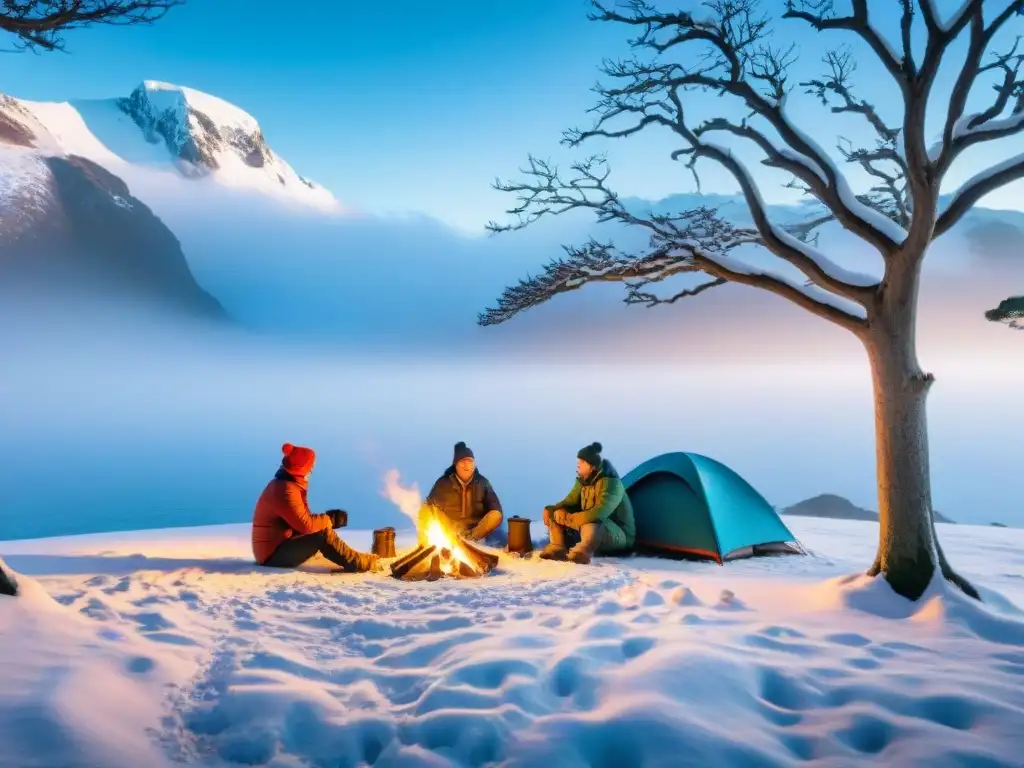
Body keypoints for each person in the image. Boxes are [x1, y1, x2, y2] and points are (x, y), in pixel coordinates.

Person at [252, 443, 379, 572]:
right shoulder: (285, 490)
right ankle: (359, 563)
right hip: (272, 556)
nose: (312, 469)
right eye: (310, 466)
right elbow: (305, 525)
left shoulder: (287, 485)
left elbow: (300, 520)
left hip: (275, 548)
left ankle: (354, 558)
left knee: (321, 530)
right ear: (301, 468)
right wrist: (329, 519)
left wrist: (327, 520)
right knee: (322, 534)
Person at [539, 441, 636, 564]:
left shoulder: (612, 484)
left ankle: (582, 552)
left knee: (593, 518)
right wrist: (552, 510)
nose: (578, 466)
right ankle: (557, 548)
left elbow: (600, 511)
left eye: (581, 463)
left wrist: (570, 518)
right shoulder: (583, 482)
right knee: (557, 512)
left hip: (618, 536)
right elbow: (569, 502)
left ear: (592, 466)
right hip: (591, 531)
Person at [419, 441, 504, 544]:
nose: (466, 465)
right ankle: (429, 545)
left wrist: (477, 531)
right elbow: (429, 506)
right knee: (426, 509)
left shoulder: (482, 483)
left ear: (474, 465)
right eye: (463, 461)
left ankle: (469, 541)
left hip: (475, 532)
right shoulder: (443, 483)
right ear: (456, 465)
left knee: (496, 515)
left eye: (470, 461)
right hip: (450, 532)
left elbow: (495, 509)